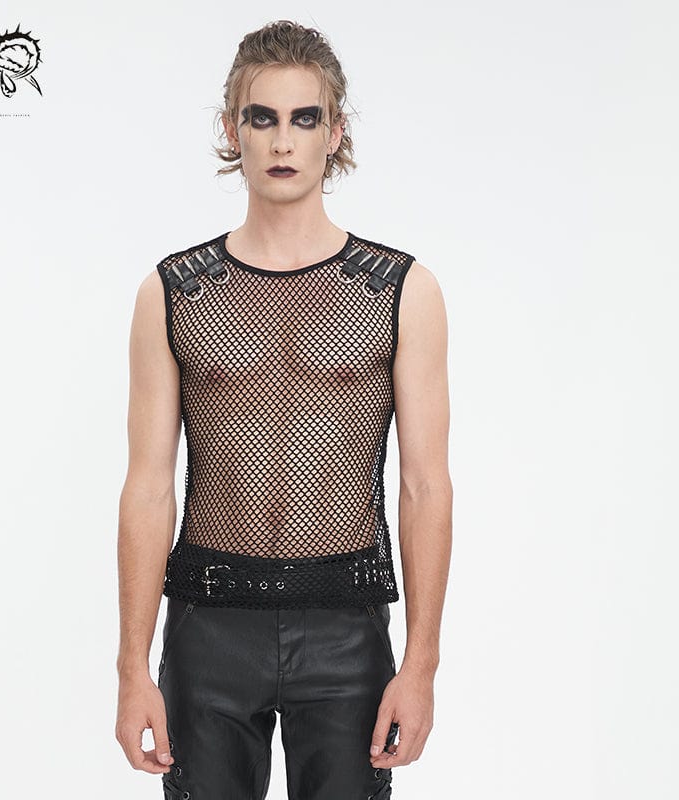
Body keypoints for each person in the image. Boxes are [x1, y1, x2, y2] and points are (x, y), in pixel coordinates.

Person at [115, 19, 452, 800]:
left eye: (305, 118)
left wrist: (421, 666)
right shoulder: (174, 292)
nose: (282, 140)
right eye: (262, 117)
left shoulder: (402, 291)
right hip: (208, 628)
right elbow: (147, 489)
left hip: (346, 631)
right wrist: (132, 668)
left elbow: (425, 487)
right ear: (232, 128)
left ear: (335, 132)